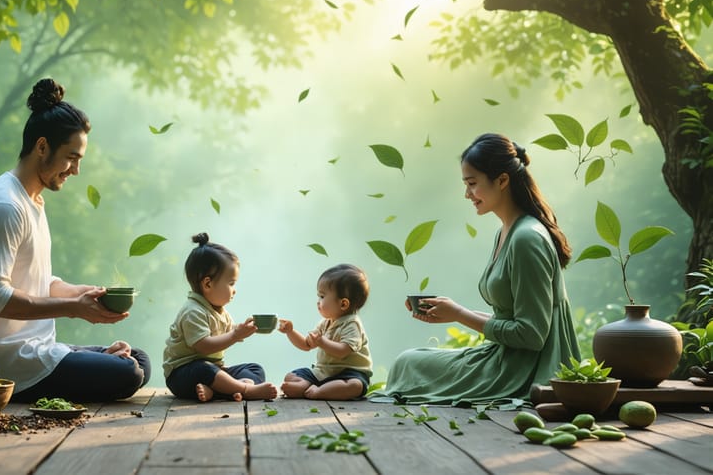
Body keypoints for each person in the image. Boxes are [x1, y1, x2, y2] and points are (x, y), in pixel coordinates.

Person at [0, 78, 150, 403]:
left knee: (138, 359)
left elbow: (35, 281)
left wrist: (84, 294)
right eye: (71, 158)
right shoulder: (4, 206)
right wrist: (73, 309)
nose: (75, 170)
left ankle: (99, 360)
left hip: (39, 350)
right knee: (128, 371)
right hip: (8, 366)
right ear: (42, 147)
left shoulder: (31, 199)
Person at [370, 133, 579, 405]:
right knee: (409, 361)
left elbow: (531, 335)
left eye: (472, 183)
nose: (467, 194)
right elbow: (514, 319)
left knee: (409, 364)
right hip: (507, 358)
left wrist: (459, 314)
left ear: (502, 180)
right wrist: (452, 312)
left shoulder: (527, 238)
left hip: (526, 372)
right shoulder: (507, 231)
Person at [162, 233, 278, 402]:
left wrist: (242, 329)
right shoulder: (192, 311)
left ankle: (220, 390)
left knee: (255, 369)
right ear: (208, 284)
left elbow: (227, 333)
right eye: (231, 283)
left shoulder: (219, 311)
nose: (234, 289)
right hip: (183, 375)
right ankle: (245, 389)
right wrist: (234, 335)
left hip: (215, 371)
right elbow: (204, 347)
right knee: (203, 369)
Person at [279, 264, 373, 400]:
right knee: (291, 376)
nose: (318, 302)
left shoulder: (352, 324)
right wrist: (290, 331)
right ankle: (313, 387)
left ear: (343, 304)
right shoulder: (326, 322)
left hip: (349, 373)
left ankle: (318, 392)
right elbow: (306, 345)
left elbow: (343, 351)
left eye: (322, 297)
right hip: (324, 372)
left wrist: (322, 342)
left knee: (355, 385)